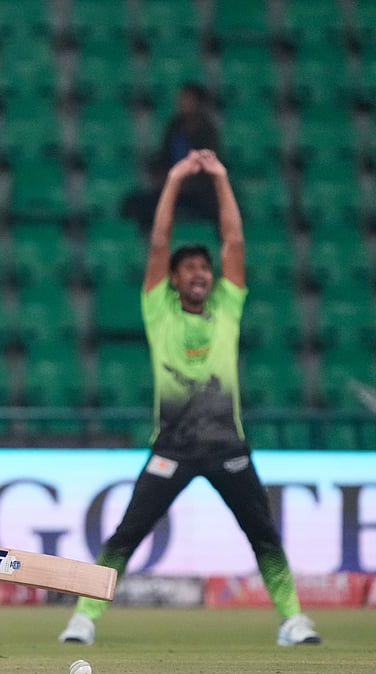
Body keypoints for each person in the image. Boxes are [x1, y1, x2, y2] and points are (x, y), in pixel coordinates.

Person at [58, 150, 322, 647]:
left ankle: (294, 620)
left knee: (263, 535)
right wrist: (176, 179)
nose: (200, 272)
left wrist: (221, 177)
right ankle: (84, 618)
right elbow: (159, 241)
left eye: (205, 267)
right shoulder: (159, 312)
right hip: (171, 449)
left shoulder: (227, 308)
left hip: (228, 447)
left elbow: (235, 240)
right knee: (126, 536)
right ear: (173, 280)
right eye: (189, 268)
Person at [122, 82, 222, 228]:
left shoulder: (208, 132)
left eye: (188, 100)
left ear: (199, 104)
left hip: (197, 192)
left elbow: (207, 170)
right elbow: (164, 158)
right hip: (171, 186)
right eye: (182, 99)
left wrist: (182, 182)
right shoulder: (174, 127)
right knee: (134, 205)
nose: (183, 103)